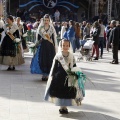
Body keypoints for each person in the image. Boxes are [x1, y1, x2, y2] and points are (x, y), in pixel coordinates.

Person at [44, 39, 85, 114]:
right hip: (59, 76)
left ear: (69, 46)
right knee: (60, 92)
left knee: (67, 92)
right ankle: (61, 107)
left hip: (68, 76)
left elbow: (74, 65)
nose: (65, 47)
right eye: (63, 45)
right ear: (61, 46)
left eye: (67, 45)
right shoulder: (58, 55)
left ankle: (65, 107)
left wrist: (77, 73)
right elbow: (54, 67)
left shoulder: (71, 55)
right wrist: (52, 76)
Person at [30, 14, 58, 81]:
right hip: (43, 45)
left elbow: (53, 38)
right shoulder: (41, 28)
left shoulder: (51, 28)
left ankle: (48, 74)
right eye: (45, 20)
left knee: (49, 59)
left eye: (47, 20)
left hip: (50, 46)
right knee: (43, 59)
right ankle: (43, 74)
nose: (46, 21)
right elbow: (38, 38)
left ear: (49, 21)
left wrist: (54, 46)